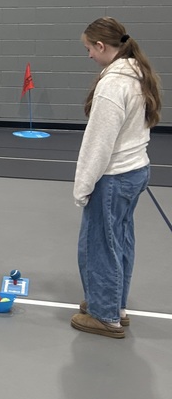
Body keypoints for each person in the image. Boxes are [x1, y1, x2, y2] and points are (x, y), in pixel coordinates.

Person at [71, 17, 162, 338]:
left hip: (113, 177)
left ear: (101, 46)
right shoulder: (138, 73)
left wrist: (82, 187)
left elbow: (98, 143)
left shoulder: (112, 84)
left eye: (89, 49)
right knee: (119, 241)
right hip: (136, 171)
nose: (88, 55)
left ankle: (104, 315)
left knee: (99, 245)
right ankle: (113, 305)